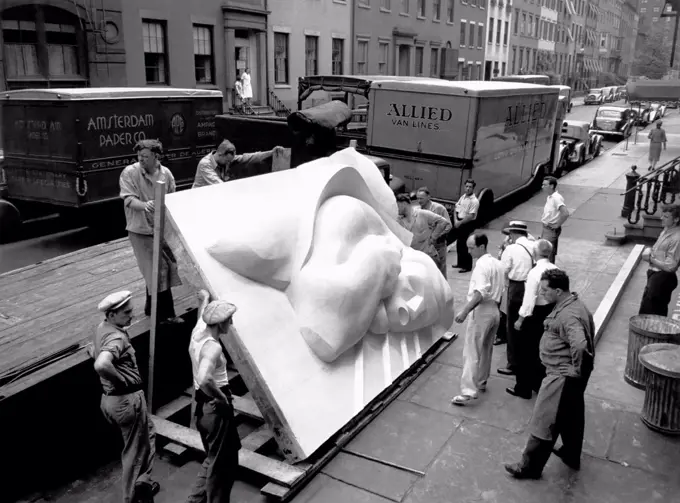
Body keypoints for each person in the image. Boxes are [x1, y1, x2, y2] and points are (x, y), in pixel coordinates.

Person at [505, 269, 595, 479]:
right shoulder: (575, 305)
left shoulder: (568, 315)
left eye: (545, 290)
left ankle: (529, 467)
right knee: (572, 416)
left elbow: (580, 345)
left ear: (558, 290)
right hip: (569, 377)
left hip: (560, 377)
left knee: (545, 420)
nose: (542, 293)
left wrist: (576, 369)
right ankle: (571, 454)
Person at [91, 291, 159, 503]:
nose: (132, 315)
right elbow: (101, 364)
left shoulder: (103, 328)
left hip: (111, 399)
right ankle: (132, 498)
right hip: (126, 400)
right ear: (112, 315)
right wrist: (122, 380)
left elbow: (92, 350)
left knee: (148, 434)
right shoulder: (117, 337)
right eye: (126, 312)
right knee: (134, 454)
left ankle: (144, 483)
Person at [119, 139, 183, 323]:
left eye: (145, 157)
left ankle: (150, 308)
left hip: (160, 229)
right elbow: (128, 200)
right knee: (157, 270)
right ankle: (165, 316)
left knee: (164, 267)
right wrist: (145, 205)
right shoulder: (130, 173)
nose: (141, 160)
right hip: (140, 230)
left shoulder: (166, 174)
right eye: (139, 156)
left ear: (157, 156)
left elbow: (172, 198)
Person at [187, 291, 241, 503]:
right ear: (220, 324)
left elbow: (203, 315)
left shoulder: (198, 332)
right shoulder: (213, 347)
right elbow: (204, 378)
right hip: (215, 407)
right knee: (223, 467)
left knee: (214, 458)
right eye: (229, 320)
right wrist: (221, 399)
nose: (232, 323)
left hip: (201, 407)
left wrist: (205, 299)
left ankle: (195, 500)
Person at [451, 233, 506, 406]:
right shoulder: (497, 264)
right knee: (486, 348)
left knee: (472, 351)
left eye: (471, 248)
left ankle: (468, 391)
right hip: (495, 310)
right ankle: (481, 381)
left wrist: (465, 311)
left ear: (482, 247)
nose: (469, 251)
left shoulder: (481, 266)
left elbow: (480, 292)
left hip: (482, 311)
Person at [509, 240, 559, 398]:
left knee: (525, 352)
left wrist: (520, 319)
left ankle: (523, 388)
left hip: (534, 315)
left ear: (535, 253)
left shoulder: (535, 273)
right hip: (550, 311)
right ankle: (538, 384)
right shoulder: (556, 269)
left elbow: (529, 300)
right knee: (541, 350)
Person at [497, 222, 536, 383]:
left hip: (517, 287)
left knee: (512, 326)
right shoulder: (534, 245)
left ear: (512, 234)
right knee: (527, 325)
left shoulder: (511, 249)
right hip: (532, 285)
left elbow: (503, 270)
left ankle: (513, 363)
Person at [638, 203, 680, 316]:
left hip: (663, 278)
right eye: (662, 215)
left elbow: (670, 266)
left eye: (666, 217)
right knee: (646, 310)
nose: (662, 218)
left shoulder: (677, 238)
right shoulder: (666, 230)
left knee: (653, 312)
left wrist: (650, 259)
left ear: (676, 219)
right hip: (654, 275)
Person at [193, 139, 286, 188]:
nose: (228, 163)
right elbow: (219, 186)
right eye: (227, 161)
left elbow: (249, 157)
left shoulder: (226, 159)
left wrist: (271, 152)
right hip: (198, 200)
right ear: (220, 154)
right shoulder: (205, 164)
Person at [397, 193, 452, 273]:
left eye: (397, 206)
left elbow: (443, 222)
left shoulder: (422, 214)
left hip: (427, 256)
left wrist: (433, 237)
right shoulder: (399, 220)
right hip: (412, 259)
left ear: (404, 204)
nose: (396, 209)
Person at [416, 186, 452, 277]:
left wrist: (436, 237)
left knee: (440, 269)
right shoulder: (418, 210)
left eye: (421, 198)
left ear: (429, 197)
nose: (419, 201)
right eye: (418, 198)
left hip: (438, 245)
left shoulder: (439, 208)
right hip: (424, 246)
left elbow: (448, 225)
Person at [452, 179, 480, 273]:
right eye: (466, 186)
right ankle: (460, 262)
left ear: (473, 188)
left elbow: (471, 216)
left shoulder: (474, 201)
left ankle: (467, 266)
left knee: (465, 244)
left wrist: (459, 222)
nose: (468, 188)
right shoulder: (463, 197)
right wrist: (456, 220)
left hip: (467, 223)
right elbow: (456, 208)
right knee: (459, 244)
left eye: (470, 187)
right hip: (459, 221)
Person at [540, 176, 569, 264]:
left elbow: (565, 213)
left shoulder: (556, 198)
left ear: (551, 186)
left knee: (546, 253)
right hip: (547, 228)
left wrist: (557, 225)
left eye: (545, 185)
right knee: (549, 251)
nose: (542, 187)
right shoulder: (550, 197)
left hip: (550, 230)